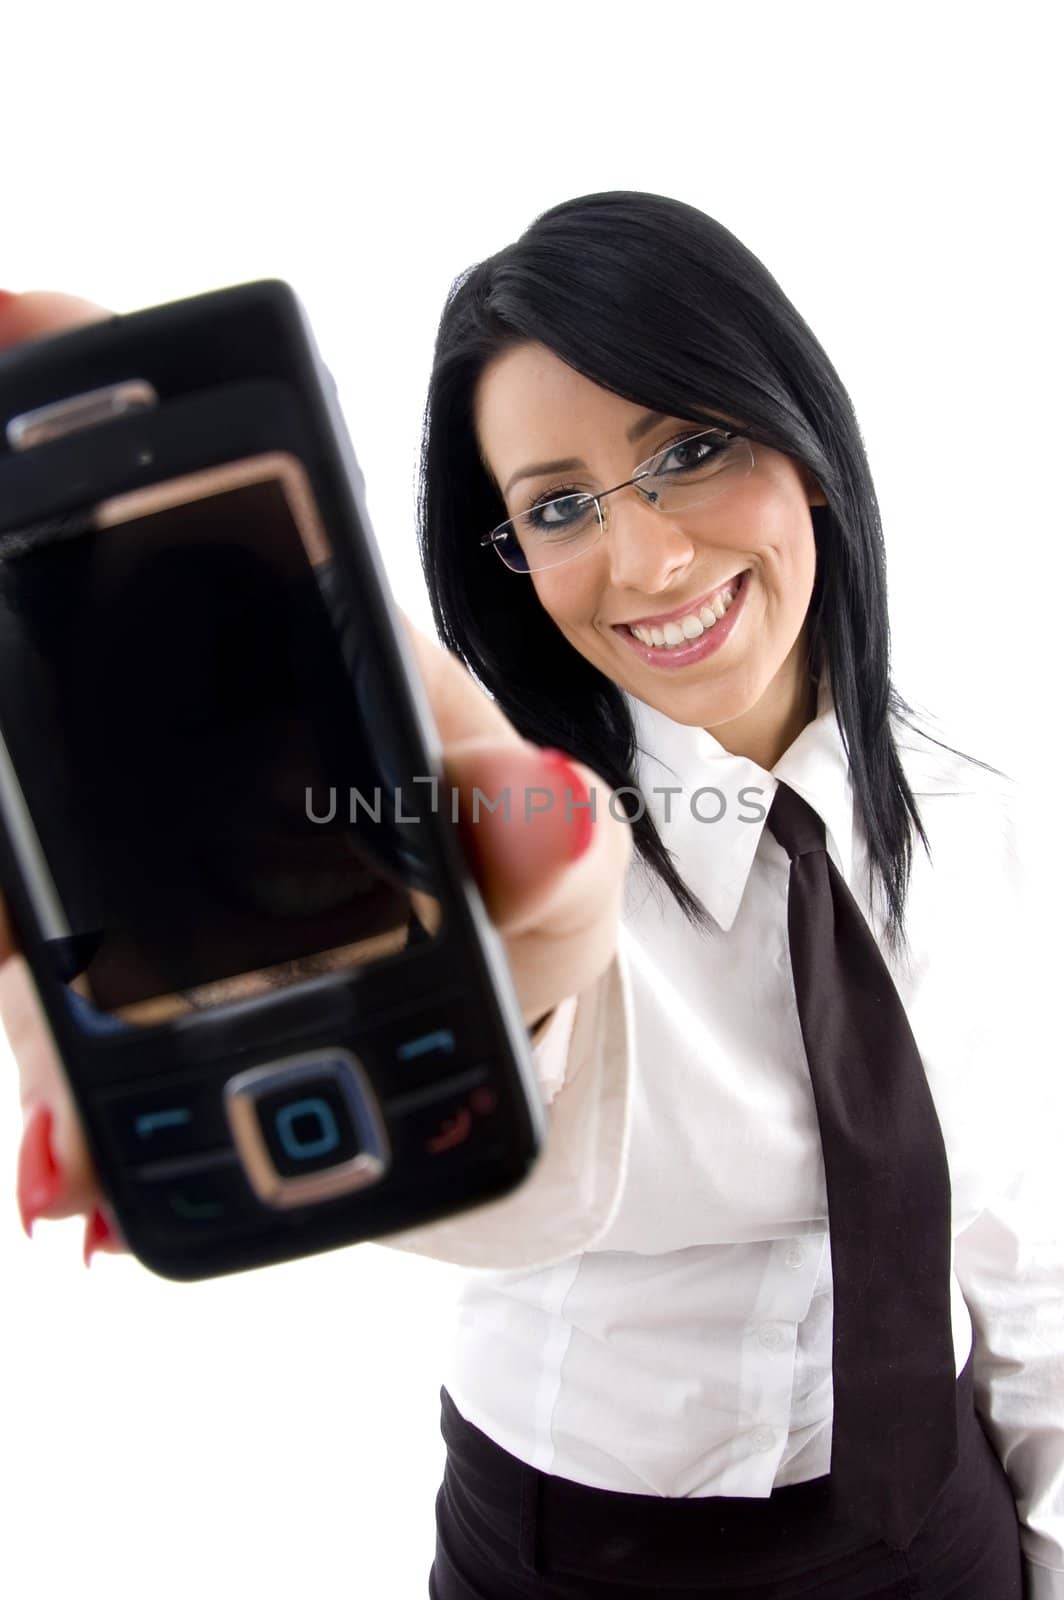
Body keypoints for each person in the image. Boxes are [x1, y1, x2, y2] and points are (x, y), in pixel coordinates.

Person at [4, 185, 1062, 1599]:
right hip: (588, 1549)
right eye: (558, 507)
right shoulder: (507, 830)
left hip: (945, 1521)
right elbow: (518, 1192)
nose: (648, 560)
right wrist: (497, 984)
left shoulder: (982, 819)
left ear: (804, 440)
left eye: (691, 448)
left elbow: (1013, 1229)